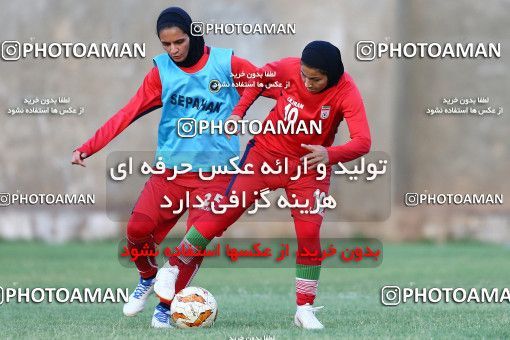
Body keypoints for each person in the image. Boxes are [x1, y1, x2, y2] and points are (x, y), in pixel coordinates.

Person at [154, 40, 372, 330]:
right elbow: (257, 78)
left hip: (308, 169)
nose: (307, 82)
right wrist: (239, 111)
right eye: (304, 75)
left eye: (315, 79)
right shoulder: (290, 67)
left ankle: (304, 310)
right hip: (265, 155)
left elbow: (363, 141)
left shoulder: (347, 91)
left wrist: (330, 154)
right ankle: (171, 270)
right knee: (220, 216)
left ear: (332, 75)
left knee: (309, 234)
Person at [71, 7, 263, 328]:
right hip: (169, 175)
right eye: (166, 44)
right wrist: (89, 147)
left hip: (216, 178)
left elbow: (265, 83)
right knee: (135, 232)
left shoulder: (226, 64)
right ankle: (148, 276)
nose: (173, 50)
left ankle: (166, 307)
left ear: (193, 34)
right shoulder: (161, 73)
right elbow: (127, 113)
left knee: (193, 242)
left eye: (179, 41)